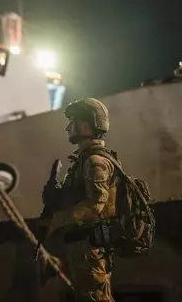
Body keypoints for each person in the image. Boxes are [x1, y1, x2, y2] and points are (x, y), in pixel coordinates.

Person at [44, 98, 119, 302]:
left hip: (90, 246)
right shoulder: (83, 161)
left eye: (73, 122)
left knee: (95, 298)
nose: (68, 127)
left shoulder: (95, 162)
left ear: (85, 126)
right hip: (82, 243)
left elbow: (96, 205)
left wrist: (59, 219)